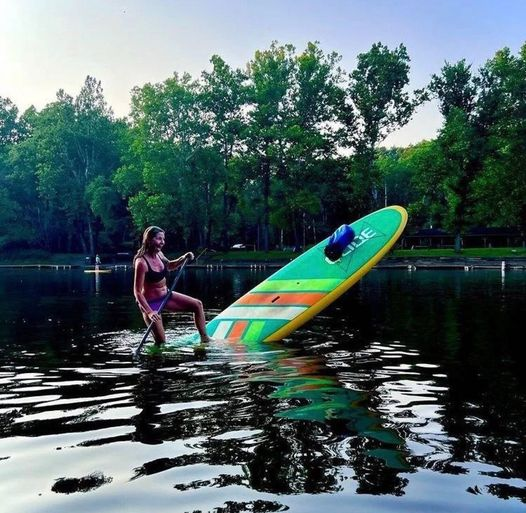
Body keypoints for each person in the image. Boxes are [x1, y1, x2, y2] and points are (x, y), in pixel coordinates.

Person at [133, 226, 210, 346]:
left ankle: (205, 340)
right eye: (159, 239)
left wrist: (183, 258)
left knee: (197, 304)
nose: (162, 242)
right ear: (149, 240)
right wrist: (149, 312)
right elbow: (137, 292)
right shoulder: (141, 263)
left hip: (166, 296)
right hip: (151, 304)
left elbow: (169, 265)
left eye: (163, 239)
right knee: (161, 343)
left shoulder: (159, 254)